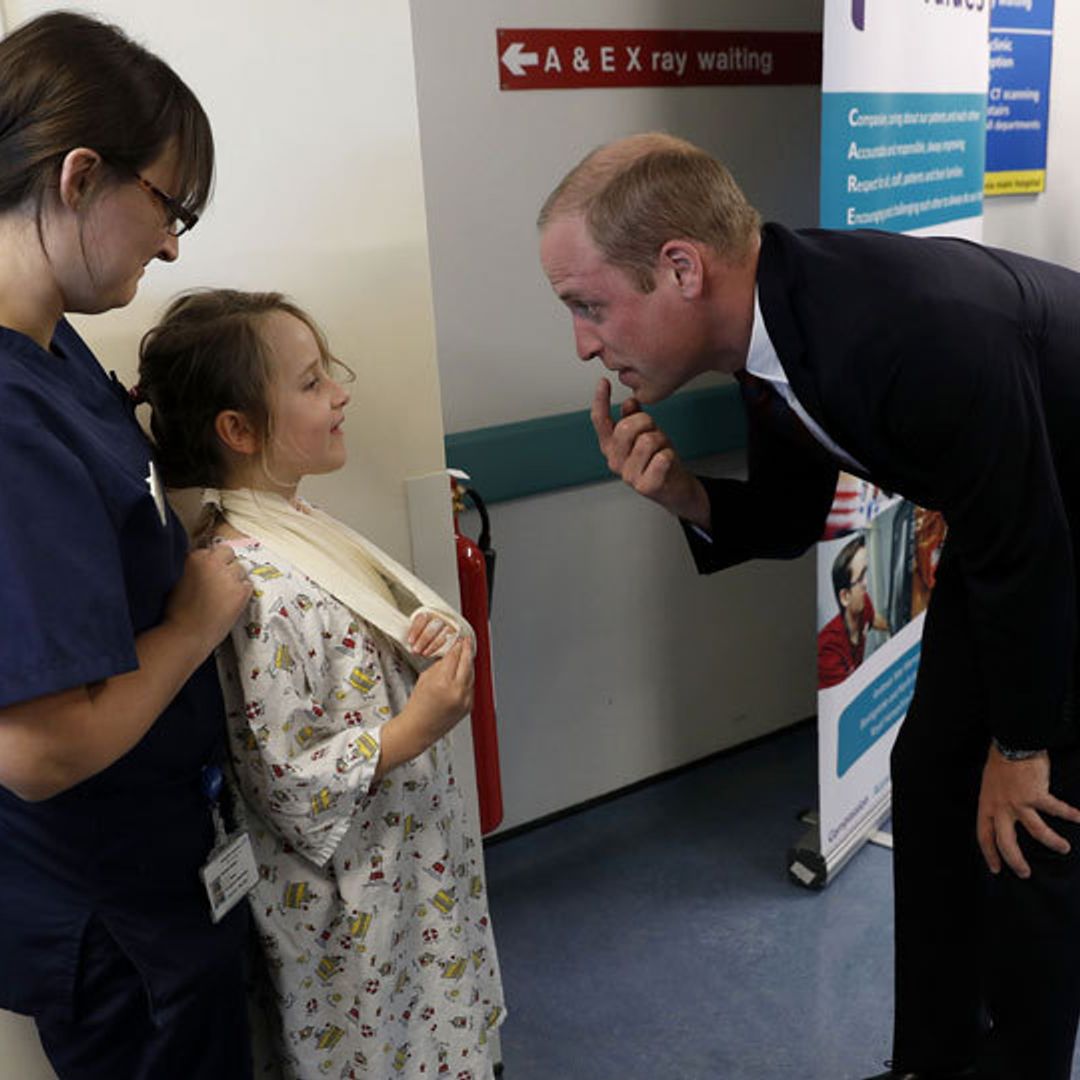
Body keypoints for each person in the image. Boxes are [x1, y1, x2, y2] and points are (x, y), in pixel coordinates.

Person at [538, 131, 1080, 1080]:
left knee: (1031, 814)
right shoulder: (772, 325)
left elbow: (1030, 544)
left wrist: (1026, 746)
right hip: (1019, 524)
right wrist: (687, 499)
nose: (585, 340)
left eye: (589, 306)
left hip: (1056, 525)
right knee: (933, 770)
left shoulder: (908, 327)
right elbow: (793, 519)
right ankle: (937, 1059)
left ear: (679, 268)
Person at [137, 289, 506, 1080]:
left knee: (429, 1033)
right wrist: (418, 726)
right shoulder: (250, 582)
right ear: (238, 430)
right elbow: (282, 774)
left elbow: (352, 653)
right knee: (380, 1051)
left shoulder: (297, 525)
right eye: (310, 382)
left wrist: (420, 642)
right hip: (351, 899)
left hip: (404, 867)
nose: (339, 392)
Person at [0, 12, 254, 1079]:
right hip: (115, 918)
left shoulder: (58, 353)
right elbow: (39, 751)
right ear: (79, 175)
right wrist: (198, 622)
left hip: (167, 856)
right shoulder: (9, 415)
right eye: (167, 204)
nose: (172, 243)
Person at [818, 534, 890, 689]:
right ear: (845, 597)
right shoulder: (828, 650)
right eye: (862, 576)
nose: (867, 583)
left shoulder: (864, 607)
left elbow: (882, 623)